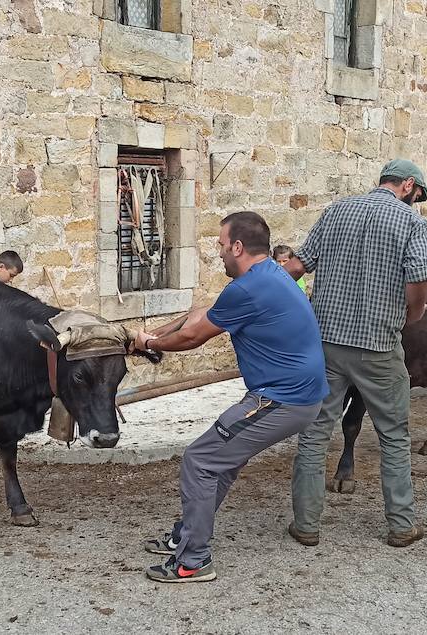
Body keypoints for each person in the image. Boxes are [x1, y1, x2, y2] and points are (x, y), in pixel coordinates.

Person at [132, 211, 328, 583]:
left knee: (200, 459)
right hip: (293, 396)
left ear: (237, 247)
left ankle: (193, 561)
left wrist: (152, 344)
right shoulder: (269, 275)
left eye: (221, 246)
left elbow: (193, 337)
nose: (218, 253)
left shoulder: (250, 288)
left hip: (283, 400)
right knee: (219, 460)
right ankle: (184, 537)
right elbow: (200, 314)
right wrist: (147, 336)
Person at [291, 158, 427, 548]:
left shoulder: (335, 212)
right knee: (394, 435)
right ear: (407, 185)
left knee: (315, 432)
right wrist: (416, 310)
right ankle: (401, 525)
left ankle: (306, 525)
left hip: (326, 345)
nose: (415, 203)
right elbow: (420, 276)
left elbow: (298, 266)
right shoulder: (411, 224)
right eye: (416, 196)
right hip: (378, 346)